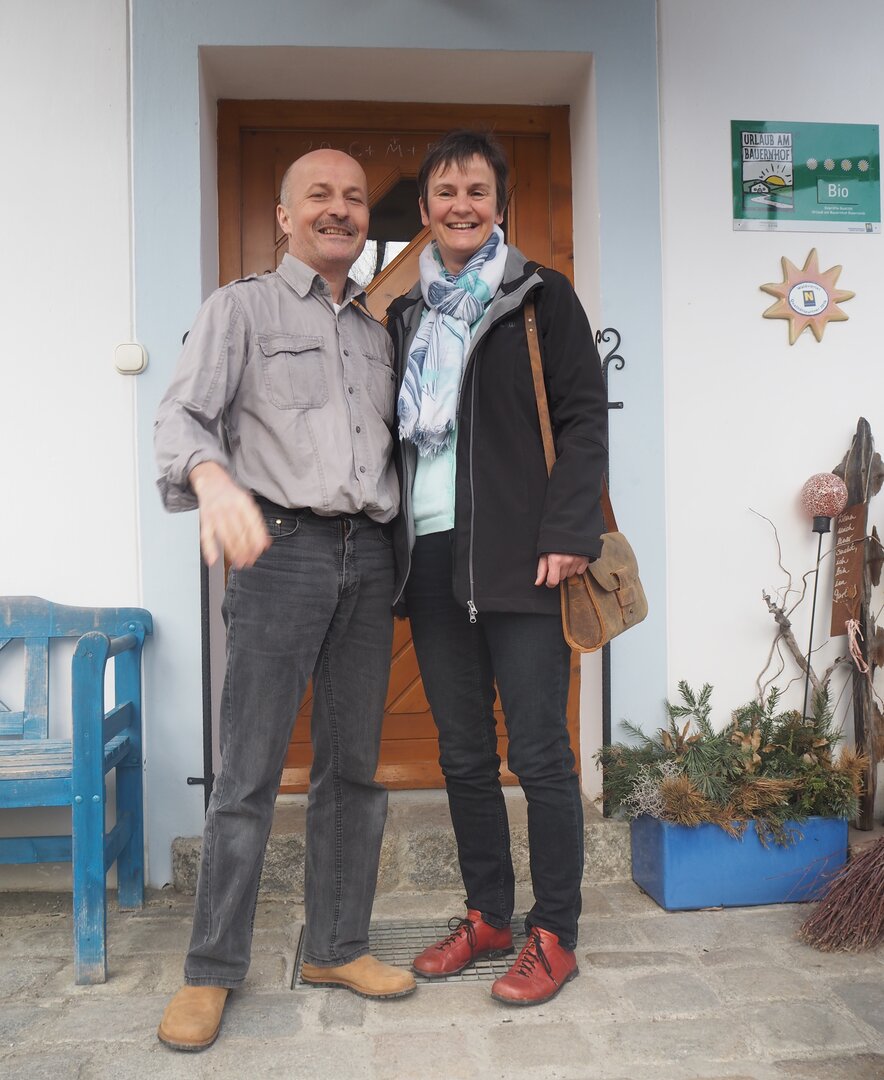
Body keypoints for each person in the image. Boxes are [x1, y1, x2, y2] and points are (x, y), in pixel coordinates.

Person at [153, 149, 415, 1052]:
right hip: (280, 552)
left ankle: (337, 945)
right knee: (248, 773)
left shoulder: (379, 331)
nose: (339, 210)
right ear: (283, 215)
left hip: (368, 557)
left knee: (353, 770)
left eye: (353, 198)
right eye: (321, 196)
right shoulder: (240, 308)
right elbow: (181, 418)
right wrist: (214, 485)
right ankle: (211, 970)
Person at [387, 130, 608, 1006]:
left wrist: (569, 530)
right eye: (446, 192)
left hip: (527, 559)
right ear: (427, 209)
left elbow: (584, 418)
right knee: (464, 755)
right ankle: (488, 915)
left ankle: (556, 932)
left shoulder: (540, 297)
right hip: (434, 557)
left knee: (543, 754)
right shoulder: (406, 313)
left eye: (477, 190)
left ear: (500, 203)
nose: (461, 205)